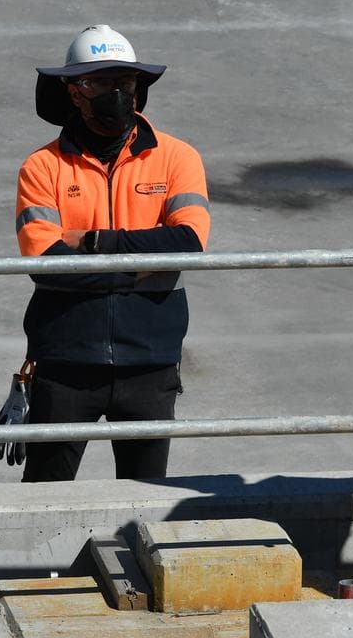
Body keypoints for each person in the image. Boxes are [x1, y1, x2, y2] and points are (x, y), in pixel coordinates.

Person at [14, 24, 210, 482]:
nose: (116, 92)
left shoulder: (178, 158)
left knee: (145, 498)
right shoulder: (42, 166)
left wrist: (94, 244)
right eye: (100, 82)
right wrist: (138, 265)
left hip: (151, 360)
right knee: (46, 496)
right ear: (74, 92)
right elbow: (45, 264)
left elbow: (187, 243)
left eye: (124, 81)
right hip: (65, 360)